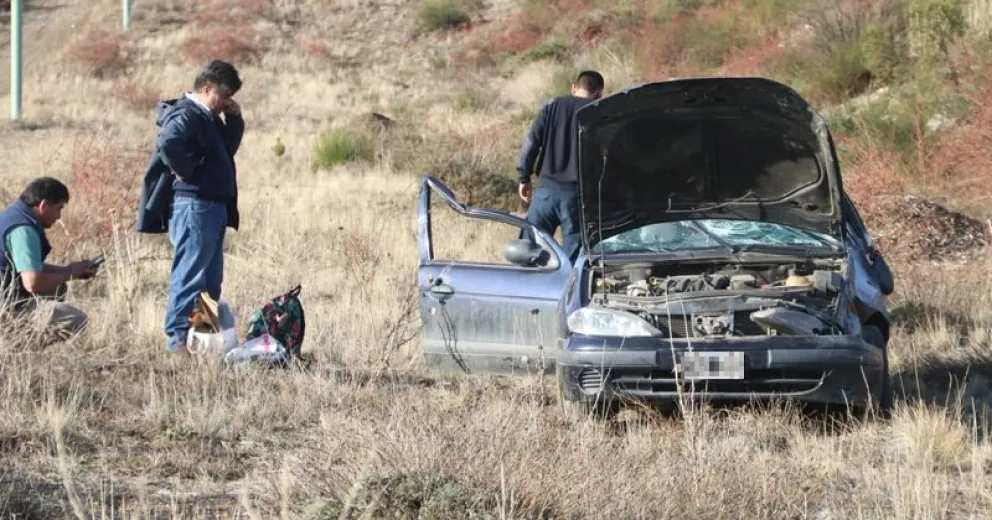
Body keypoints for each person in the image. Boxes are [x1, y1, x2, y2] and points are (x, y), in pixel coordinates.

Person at [136, 60, 244, 354]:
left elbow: (225, 151)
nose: (227, 103)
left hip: (210, 207)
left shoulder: (208, 117)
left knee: (209, 282)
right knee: (190, 275)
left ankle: (201, 340)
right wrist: (189, 173)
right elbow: (169, 143)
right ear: (207, 89)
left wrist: (234, 121)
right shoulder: (188, 114)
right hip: (195, 206)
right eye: (224, 96)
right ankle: (178, 342)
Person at [516, 70, 605, 264]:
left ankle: (526, 290)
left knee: (526, 252)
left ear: (574, 87)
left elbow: (531, 143)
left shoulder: (552, 106)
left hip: (545, 194)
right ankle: (564, 293)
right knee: (572, 263)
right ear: (599, 93)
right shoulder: (599, 113)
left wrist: (524, 177)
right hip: (576, 199)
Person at [0, 177, 99, 345]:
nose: (59, 216)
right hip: (5, 305)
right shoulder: (24, 230)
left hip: (6, 293)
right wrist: (69, 274)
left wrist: (68, 270)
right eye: (58, 208)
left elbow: (25, 266)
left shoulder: (13, 215)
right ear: (43, 205)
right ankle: (20, 350)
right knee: (76, 318)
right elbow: (32, 283)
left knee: (57, 288)